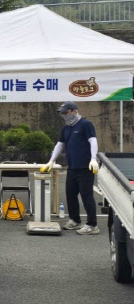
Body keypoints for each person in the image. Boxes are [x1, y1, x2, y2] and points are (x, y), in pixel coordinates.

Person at [40, 101, 99, 235]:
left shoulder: (85, 124)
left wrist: (93, 158)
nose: (65, 115)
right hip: (72, 167)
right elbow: (60, 144)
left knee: (86, 195)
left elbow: (93, 141)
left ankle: (92, 225)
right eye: (63, 113)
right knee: (70, 194)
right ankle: (75, 220)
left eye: (66, 112)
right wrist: (51, 161)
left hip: (85, 167)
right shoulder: (66, 128)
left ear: (74, 111)